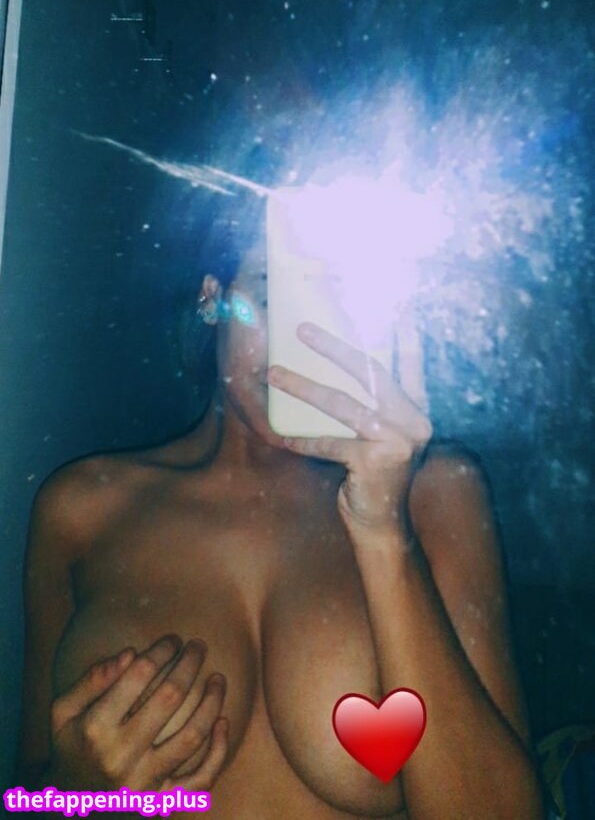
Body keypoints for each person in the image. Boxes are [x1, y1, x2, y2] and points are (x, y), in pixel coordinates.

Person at [13, 191, 545, 819]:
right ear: (212, 297)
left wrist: (381, 531)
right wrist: (72, 793)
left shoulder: (435, 495)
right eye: (273, 295)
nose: (304, 342)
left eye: (335, 304)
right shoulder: (82, 509)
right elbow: (26, 791)